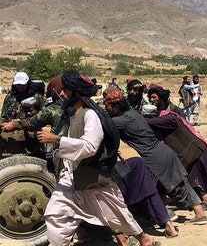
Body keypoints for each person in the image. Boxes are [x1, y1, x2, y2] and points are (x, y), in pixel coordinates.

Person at [34, 70, 158, 246]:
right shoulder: (71, 114)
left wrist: (57, 140)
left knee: (118, 217)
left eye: (65, 90)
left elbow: (90, 146)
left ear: (76, 92)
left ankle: (144, 240)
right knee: (56, 214)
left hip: (93, 179)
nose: (61, 94)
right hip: (70, 179)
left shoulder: (90, 115)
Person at [102, 89, 207, 225]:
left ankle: (164, 216)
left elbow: (104, 125)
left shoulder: (121, 120)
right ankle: (200, 214)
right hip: (164, 152)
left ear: (116, 107)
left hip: (153, 159)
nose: (106, 109)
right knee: (179, 185)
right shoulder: (134, 114)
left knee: (148, 189)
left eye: (108, 106)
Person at [144, 103, 207, 210]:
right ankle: (204, 198)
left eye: (155, 97)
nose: (152, 100)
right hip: (186, 155)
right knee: (190, 179)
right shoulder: (162, 118)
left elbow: (148, 122)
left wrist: (133, 118)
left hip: (195, 150)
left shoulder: (169, 118)